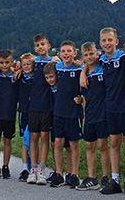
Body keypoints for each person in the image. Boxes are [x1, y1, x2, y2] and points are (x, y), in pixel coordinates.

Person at [81, 27, 125, 195]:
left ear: (116, 42)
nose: (107, 43)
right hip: (110, 108)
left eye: (110, 40)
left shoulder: (123, 57)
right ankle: (114, 179)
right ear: (100, 44)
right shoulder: (102, 60)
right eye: (104, 40)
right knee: (114, 143)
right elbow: (88, 63)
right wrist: (83, 73)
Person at [76, 42, 110, 191]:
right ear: (82, 57)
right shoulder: (82, 76)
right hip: (89, 114)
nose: (89, 57)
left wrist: (83, 70)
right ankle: (91, 178)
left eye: (92, 54)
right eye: (86, 55)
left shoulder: (103, 67)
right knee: (89, 145)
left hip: (102, 113)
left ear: (97, 54)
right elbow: (83, 97)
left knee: (103, 146)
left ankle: (105, 177)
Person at [49, 41, 83, 188]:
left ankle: (74, 174)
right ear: (59, 54)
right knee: (58, 143)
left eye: (69, 51)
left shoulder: (79, 68)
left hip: (74, 112)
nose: (66, 53)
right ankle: (58, 173)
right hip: (59, 111)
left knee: (74, 144)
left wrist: (81, 97)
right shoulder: (56, 67)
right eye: (63, 51)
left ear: (75, 53)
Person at [27, 34, 57, 185]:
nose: (40, 47)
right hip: (34, 105)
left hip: (47, 105)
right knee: (33, 137)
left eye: (42, 44)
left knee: (44, 137)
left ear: (48, 46)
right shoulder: (34, 62)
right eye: (37, 45)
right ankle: (33, 169)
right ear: (34, 48)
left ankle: (42, 169)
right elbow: (22, 66)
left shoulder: (54, 61)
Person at [0, 49, 19, 179]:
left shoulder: (16, 75)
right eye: (1, 63)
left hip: (10, 113)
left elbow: (27, 65)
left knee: (7, 140)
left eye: (7, 62)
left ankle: (6, 166)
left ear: (11, 62)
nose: (4, 65)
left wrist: (18, 67)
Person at [17, 53, 35, 181]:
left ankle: (34, 168)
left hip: (36, 111)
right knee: (25, 140)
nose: (26, 66)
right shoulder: (19, 76)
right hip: (23, 110)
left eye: (29, 64)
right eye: (24, 64)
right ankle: (25, 169)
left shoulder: (39, 75)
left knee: (34, 139)